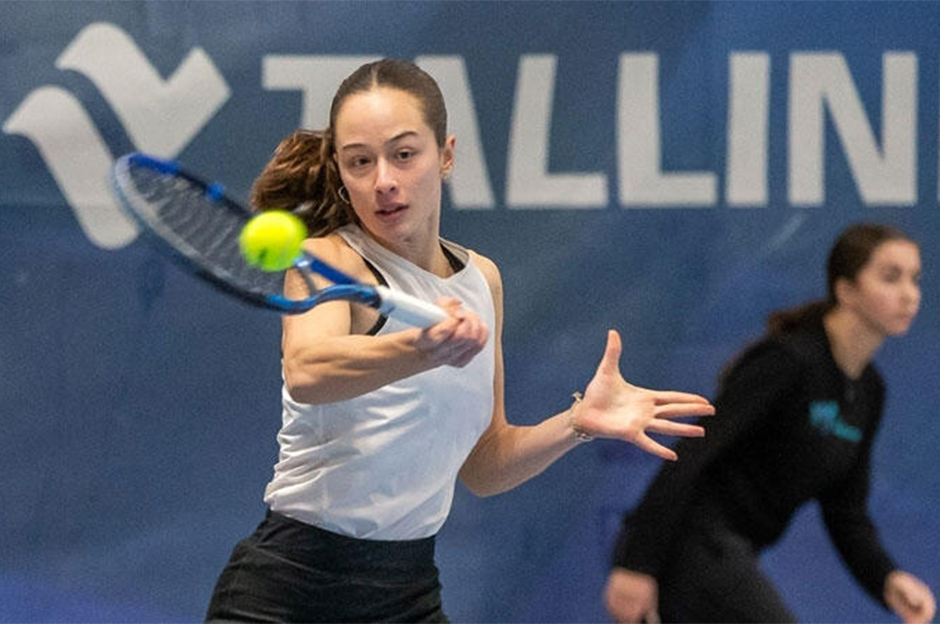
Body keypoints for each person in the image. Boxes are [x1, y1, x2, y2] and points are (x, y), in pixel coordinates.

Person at [204, 58, 715, 623]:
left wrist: (576, 424)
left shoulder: (482, 281)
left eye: (404, 154)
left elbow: (485, 465)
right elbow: (308, 370)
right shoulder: (330, 261)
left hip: (407, 596)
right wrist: (421, 349)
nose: (384, 181)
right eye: (360, 162)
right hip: (290, 593)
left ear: (445, 154)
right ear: (341, 171)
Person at [604, 223, 936, 624]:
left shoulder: (869, 392)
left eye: (915, 279)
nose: (909, 294)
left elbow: (846, 511)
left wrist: (886, 579)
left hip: (730, 551)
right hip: (685, 546)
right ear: (846, 290)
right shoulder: (787, 361)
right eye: (890, 277)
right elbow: (694, 453)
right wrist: (636, 564)